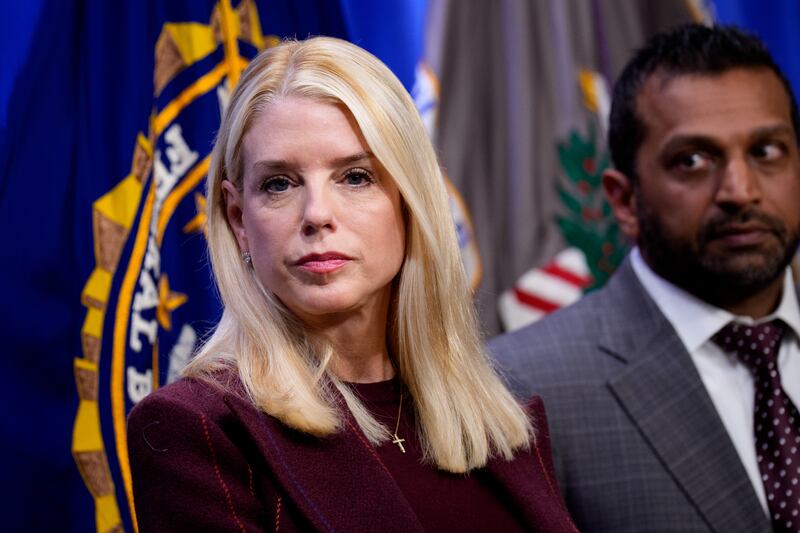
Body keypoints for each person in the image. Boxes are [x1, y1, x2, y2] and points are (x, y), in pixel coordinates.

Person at [127, 36, 576, 532]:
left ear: (410, 202)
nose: (317, 215)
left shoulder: (502, 422)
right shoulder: (199, 428)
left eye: (355, 177)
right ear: (238, 218)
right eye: (280, 184)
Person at [490, 24, 800, 533]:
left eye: (766, 152)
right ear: (624, 201)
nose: (740, 191)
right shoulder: (521, 391)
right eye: (693, 160)